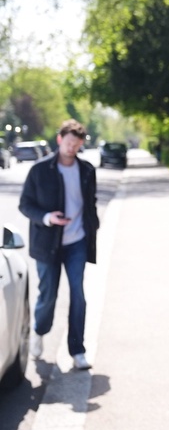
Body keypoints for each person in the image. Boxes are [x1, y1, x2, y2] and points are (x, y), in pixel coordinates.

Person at [19, 119, 99, 370]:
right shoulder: (40, 170)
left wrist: (93, 224)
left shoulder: (87, 170)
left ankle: (78, 350)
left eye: (76, 144)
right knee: (48, 295)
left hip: (77, 242)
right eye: (68, 143)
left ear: (81, 144)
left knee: (78, 295)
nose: (71, 148)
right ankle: (39, 331)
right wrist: (47, 218)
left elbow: (90, 202)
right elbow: (25, 204)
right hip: (47, 244)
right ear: (59, 140)